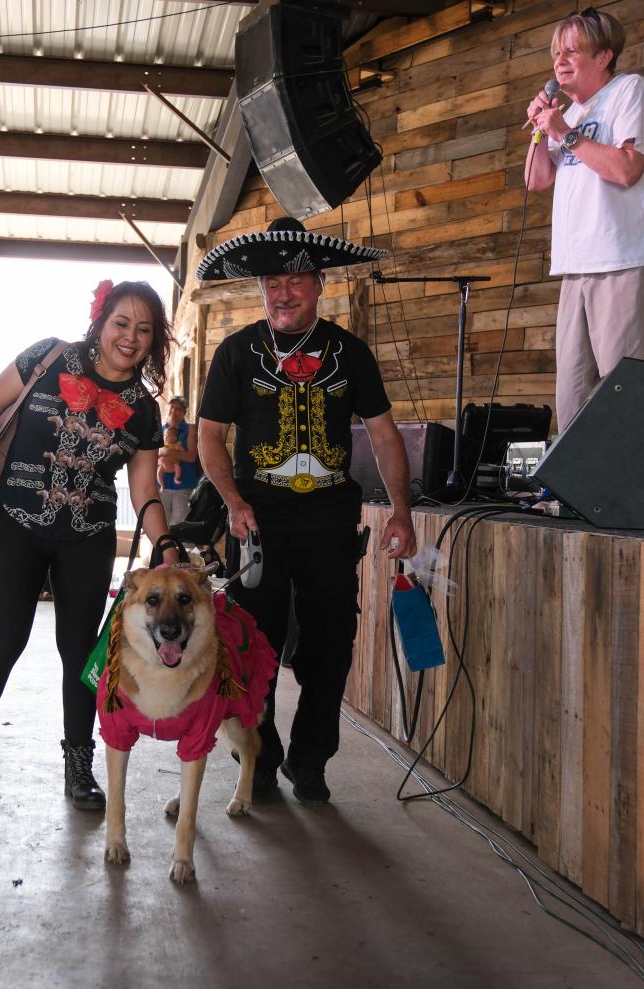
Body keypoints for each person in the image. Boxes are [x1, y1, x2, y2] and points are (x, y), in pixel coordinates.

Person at [196, 217, 417, 805]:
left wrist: (402, 510)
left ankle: (310, 760)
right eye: (272, 282)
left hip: (328, 517)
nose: (282, 294)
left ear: (319, 284)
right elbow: (210, 437)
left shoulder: (351, 351)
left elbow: (384, 435)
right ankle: (259, 760)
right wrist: (234, 502)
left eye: (295, 280)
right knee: (254, 641)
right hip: (258, 515)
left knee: (331, 640)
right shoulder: (237, 352)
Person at [0, 279, 178, 819]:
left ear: (154, 340)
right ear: (101, 320)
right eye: (122, 323)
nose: (130, 337)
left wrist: (165, 544)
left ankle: (79, 765)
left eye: (144, 330)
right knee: (5, 638)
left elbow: (144, 491)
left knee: (80, 655)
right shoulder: (46, 357)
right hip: (16, 524)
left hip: (87, 538)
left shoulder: (144, 410)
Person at [524, 6, 644, 430]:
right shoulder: (570, 114)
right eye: (558, 53)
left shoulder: (631, 91)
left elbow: (627, 170)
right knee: (572, 392)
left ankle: (629, 492)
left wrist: (565, 135)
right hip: (576, 265)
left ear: (604, 56)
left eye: (573, 51)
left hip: (624, 258)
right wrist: (541, 129)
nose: (560, 61)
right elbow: (538, 181)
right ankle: (578, 492)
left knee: (622, 387)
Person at [157, 395, 200, 526]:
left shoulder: (190, 429)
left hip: (183, 485)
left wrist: (168, 451)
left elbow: (192, 456)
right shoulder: (159, 430)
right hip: (161, 486)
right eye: (171, 407)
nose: (174, 411)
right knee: (161, 525)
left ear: (184, 413)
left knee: (179, 526)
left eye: (178, 409)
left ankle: (180, 547)